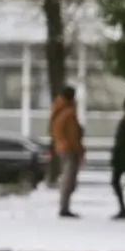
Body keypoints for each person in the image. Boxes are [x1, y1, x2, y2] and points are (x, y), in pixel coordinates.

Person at [49, 86, 84, 218]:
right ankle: (64, 207)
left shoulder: (57, 109)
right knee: (69, 179)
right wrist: (79, 149)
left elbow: (53, 130)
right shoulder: (69, 112)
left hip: (61, 147)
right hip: (69, 148)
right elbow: (72, 133)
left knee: (67, 177)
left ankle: (64, 205)